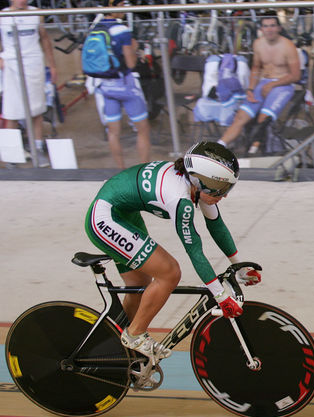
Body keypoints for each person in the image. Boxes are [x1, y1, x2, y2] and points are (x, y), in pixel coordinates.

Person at [84, 141, 261, 363]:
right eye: (221, 189)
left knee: (140, 283)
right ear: (200, 181)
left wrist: (240, 266)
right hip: (105, 218)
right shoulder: (181, 199)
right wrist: (220, 295)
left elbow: (216, 227)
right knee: (169, 272)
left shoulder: (195, 185)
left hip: (123, 212)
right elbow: (194, 250)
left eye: (228, 188)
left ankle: (120, 347)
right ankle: (134, 335)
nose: (224, 196)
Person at [218, 11, 300, 155]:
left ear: (279, 28)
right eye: (266, 26)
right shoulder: (258, 44)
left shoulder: (288, 46)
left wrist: (272, 85)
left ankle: (253, 151)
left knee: (263, 119)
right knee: (241, 117)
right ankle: (219, 147)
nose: (269, 29)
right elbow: (256, 68)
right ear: (261, 29)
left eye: (273, 26)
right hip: (264, 83)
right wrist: (250, 89)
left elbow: (295, 75)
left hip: (283, 85)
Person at [89, 0, 151, 169]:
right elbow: (130, 63)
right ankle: (143, 171)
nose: (125, 8)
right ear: (112, 7)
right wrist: (135, 48)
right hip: (125, 84)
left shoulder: (96, 28)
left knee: (113, 132)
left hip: (105, 86)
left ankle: (120, 171)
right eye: (122, 4)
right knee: (143, 129)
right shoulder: (121, 30)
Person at [0, 0, 57, 167]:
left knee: (36, 108)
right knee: (12, 111)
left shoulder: (36, 13)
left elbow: (45, 39)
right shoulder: (3, 15)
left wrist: (52, 65)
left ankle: (37, 148)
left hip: (34, 64)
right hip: (11, 64)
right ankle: (12, 153)